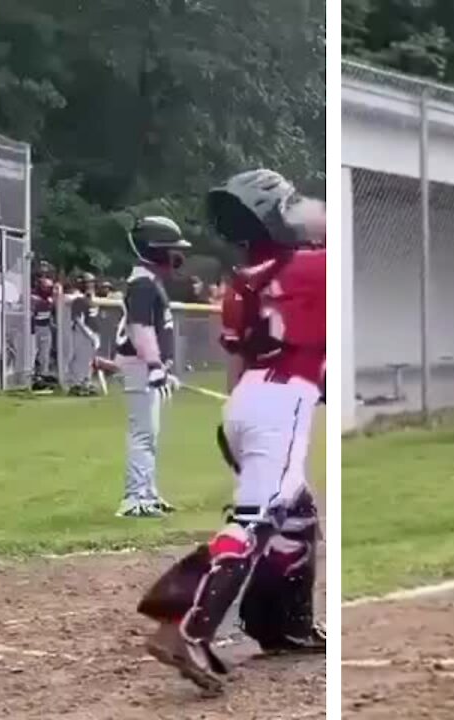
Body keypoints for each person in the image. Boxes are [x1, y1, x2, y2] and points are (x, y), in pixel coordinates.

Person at [137, 169, 326, 695]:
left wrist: (238, 424)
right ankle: (187, 628)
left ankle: (283, 626)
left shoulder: (245, 279)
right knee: (259, 516)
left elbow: (241, 363)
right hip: (283, 403)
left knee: (296, 512)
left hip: (244, 402)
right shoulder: (317, 264)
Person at [114, 217, 191, 518]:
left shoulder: (148, 281)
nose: (177, 257)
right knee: (143, 434)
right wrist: (155, 365)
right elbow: (141, 328)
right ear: (157, 250)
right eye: (172, 250)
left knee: (150, 433)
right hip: (139, 367)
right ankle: (135, 499)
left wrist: (163, 368)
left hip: (145, 366)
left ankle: (147, 492)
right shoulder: (143, 284)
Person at [67, 271, 101, 397]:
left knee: (89, 360)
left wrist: (95, 335)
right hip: (83, 334)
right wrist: (90, 334)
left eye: (91, 283)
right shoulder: (79, 301)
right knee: (81, 359)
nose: (90, 285)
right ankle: (76, 384)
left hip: (93, 334)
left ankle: (86, 382)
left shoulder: (91, 299)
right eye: (87, 283)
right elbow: (78, 320)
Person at [31, 275, 57, 385]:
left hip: (45, 327)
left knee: (45, 353)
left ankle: (43, 374)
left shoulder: (51, 298)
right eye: (46, 287)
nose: (49, 290)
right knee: (32, 352)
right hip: (33, 329)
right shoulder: (33, 297)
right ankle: (30, 375)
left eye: (50, 287)